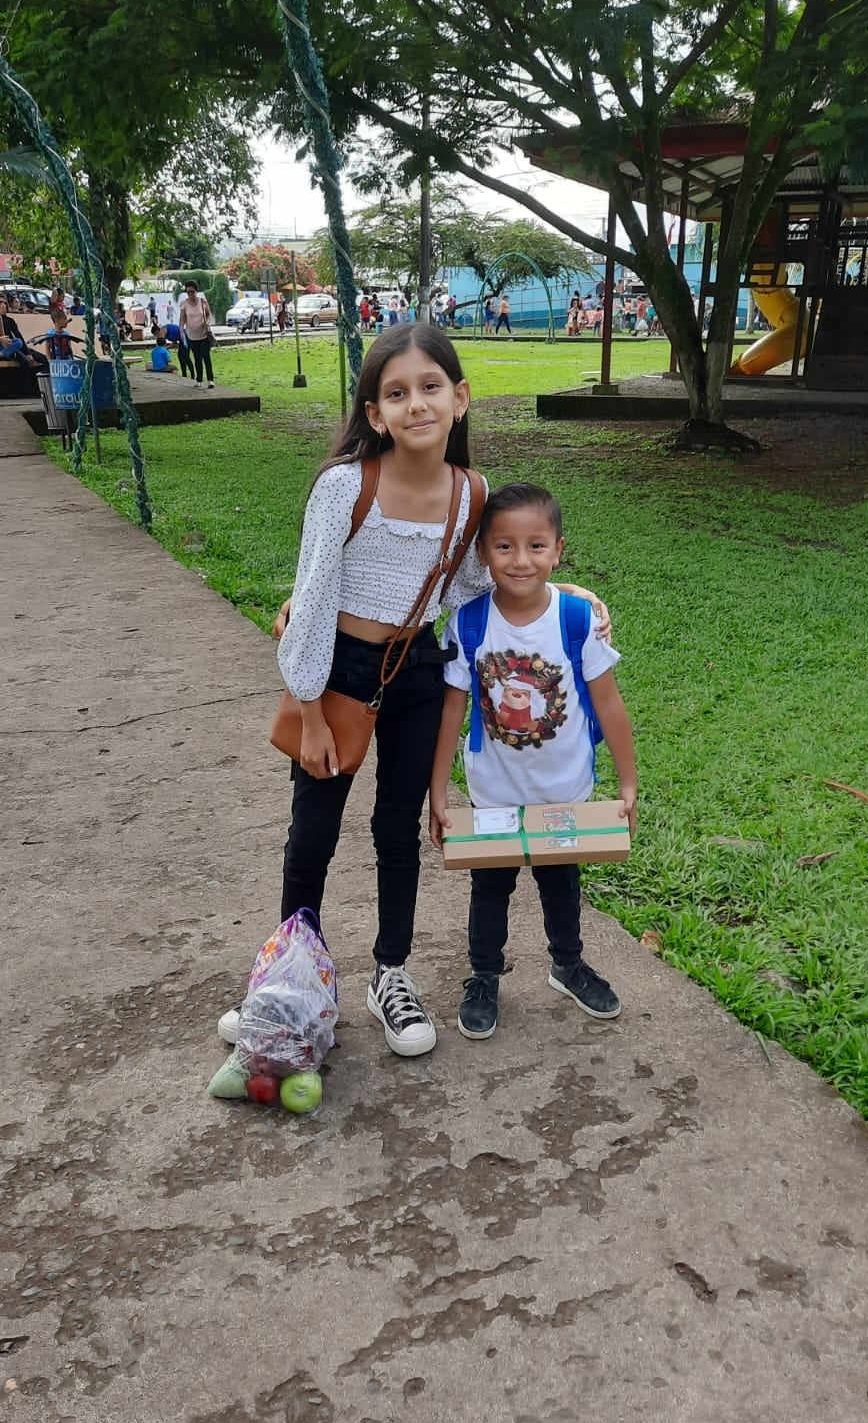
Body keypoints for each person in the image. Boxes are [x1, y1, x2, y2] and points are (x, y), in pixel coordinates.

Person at [216, 323, 610, 1058]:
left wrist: (569, 591)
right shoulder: (344, 486)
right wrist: (307, 709)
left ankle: (389, 973)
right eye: (396, 393)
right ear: (375, 413)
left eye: (431, 387)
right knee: (313, 835)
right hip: (335, 675)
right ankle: (294, 980)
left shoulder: (474, 494)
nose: (416, 404)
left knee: (397, 833)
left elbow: (474, 587)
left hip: (418, 674)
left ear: (459, 399)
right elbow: (314, 593)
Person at [429, 482, 637, 1040]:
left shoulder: (576, 620)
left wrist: (629, 781)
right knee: (489, 888)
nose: (521, 561)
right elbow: (452, 711)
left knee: (560, 881)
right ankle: (483, 976)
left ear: (558, 550)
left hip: (563, 789)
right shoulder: (468, 625)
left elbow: (609, 701)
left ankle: (568, 965)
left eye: (536, 546)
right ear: (482, 554)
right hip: (494, 790)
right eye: (504, 547)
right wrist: (439, 792)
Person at [0, 293, 49, 376]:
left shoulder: (10, 320)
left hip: (11, 346)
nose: (3, 305)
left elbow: (18, 336)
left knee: (42, 358)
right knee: (24, 361)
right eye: (1, 303)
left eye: (5, 303)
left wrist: (28, 353)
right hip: (3, 347)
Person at [179, 281, 215, 388]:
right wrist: (181, 330)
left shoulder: (203, 301)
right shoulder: (184, 304)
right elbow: (182, 319)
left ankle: (210, 380)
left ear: (196, 291)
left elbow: (209, 315)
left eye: (192, 292)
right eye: (188, 292)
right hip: (192, 336)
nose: (190, 294)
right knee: (197, 358)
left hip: (203, 334)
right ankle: (199, 379)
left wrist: (207, 323)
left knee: (206, 357)